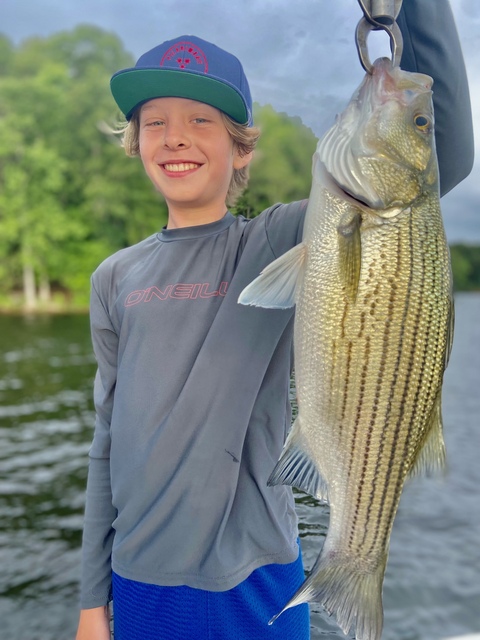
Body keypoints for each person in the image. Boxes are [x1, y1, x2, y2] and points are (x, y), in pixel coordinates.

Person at [75, 2, 474, 639]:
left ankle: (354, 570)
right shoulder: (113, 277)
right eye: (156, 123)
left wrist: (417, 9)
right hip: (137, 575)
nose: (176, 136)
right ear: (136, 144)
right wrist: (92, 602)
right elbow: (107, 443)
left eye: (201, 120)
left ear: (241, 150)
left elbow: (444, 156)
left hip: (257, 573)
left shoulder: (281, 237)